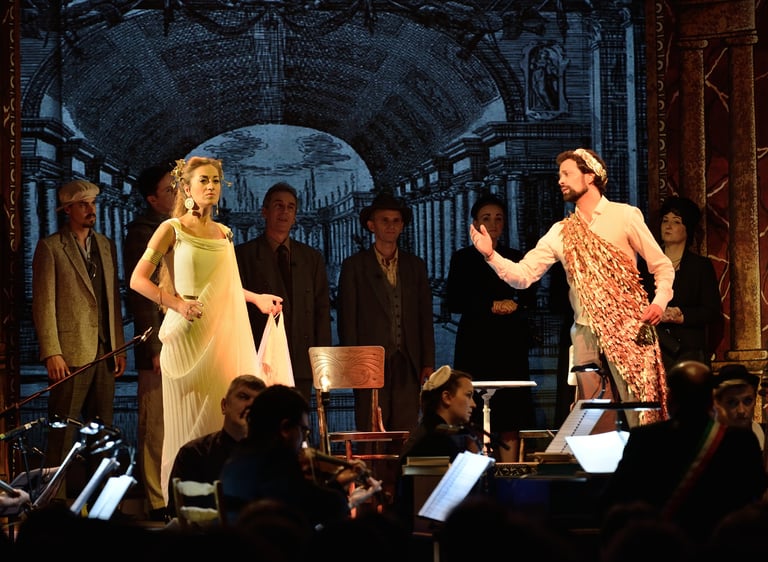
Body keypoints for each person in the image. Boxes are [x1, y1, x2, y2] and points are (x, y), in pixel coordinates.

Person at [470, 148, 675, 427]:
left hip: (630, 329)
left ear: (590, 175)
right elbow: (523, 276)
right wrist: (491, 255)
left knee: (642, 412)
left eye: (566, 174)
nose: (560, 180)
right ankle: (597, 469)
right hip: (584, 334)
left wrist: (659, 303)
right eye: (559, 175)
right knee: (593, 417)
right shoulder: (560, 232)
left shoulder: (625, 216)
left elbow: (661, 266)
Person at [129, 156, 283, 506]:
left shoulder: (224, 233)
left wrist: (256, 298)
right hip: (186, 336)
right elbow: (138, 280)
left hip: (223, 334)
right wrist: (176, 303)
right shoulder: (171, 229)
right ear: (186, 187)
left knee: (223, 417)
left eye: (215, 180)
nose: (211, 186)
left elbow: (228, 285)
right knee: (187, 428)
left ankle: (230, 502)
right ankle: (183, 508)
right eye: (203, 181)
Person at [599, 360, 767, 542]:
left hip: (665, 547)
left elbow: (614, 498)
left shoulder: (646, 439)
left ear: (670, 400)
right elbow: (754, 499)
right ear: (712, 402)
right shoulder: (741, 442)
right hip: (722, 547)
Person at [32, 179, 127, 499]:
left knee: (103, 435)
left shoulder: (105, 245)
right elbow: (43, 303)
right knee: (63, 433)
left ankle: (99, 508)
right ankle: (53, 507)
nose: (91, 210)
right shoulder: (51, 246)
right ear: (67, 210)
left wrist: (117, 346)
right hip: (70, 354)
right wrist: (52, 352)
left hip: (104, 352)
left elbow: (112, 298)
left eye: (93, 204)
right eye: (83, 204)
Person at [446, 192, 537, 462]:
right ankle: (477, 478)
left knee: (511, 413)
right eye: (486, 218)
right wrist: (490, 305)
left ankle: (509, 477)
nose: (494, 223)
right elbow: (455, 300)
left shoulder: (515, 256)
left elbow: (529, 294)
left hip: (509, 345)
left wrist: (515, 303)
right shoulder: (462, 259)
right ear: (475, 224)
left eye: (499, 218)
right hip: (475, 343)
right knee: (474, 414)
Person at [337, 191, 435, 435]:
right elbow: (347, 320)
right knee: (371, 431)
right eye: (384, 220)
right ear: (371, 225)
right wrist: (353, 363)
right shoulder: (354, 266)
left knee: (406, 431)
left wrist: (427, 361)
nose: (391, 226)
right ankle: (371, 474)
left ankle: (401, 474)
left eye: (396, 221)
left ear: (402, 226)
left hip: (408, 360)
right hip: (369, 363)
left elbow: (425, 317)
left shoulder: (415, 266)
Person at [219, 384, 382, 530]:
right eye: (303, 430)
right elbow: (313, 508)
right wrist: (348, 498)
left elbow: (303, 500)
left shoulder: (237, 457)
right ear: (285, 428)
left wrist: (339, 482)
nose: (303, 439)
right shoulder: (276, 463)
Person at [235, 181, 332, 402]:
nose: (284, 212)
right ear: (264, 212)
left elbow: (321, 310)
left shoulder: (311, 258)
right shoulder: (243, 255)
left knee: (298, 426)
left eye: (290, 207)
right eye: (278, 205)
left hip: (303, 361)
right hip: (261, 359)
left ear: (296, 215)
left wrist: (322, 360)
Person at [123, 162, 176, 521]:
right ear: (152, 199)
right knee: (155, 425)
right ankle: (156, 501)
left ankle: (175, 494)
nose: (178, 195)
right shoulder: (143, 232)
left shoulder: (179, 229)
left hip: (183, 339)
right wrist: (153, 346)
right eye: (170, 191)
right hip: (159, 342)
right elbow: (142, 298)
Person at [639, 195, 722, 373]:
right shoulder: (646, 266)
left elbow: (711, 310)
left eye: (676, 222)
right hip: (654, 350)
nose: (668, 226)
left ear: (688, 229)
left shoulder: (700, 266)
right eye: (665, 221)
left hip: (689, 352)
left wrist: (681, 315)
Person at [167, 374, 267, 515]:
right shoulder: (193, 454)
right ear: (224, 405)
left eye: (258, 402)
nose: (250, 404)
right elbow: (178, 513)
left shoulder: (272, 458)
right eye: (243, 397)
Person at [394, 366, 480, 530]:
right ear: (447, 397)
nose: (474, 404)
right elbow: (431, 500)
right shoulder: (432, 440)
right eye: (468, 396)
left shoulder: (439, 433)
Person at [712, 363, 764, 449]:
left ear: (755, 400)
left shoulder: (756, 430)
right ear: (718, 404)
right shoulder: (710, 441)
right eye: (732, 402)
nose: (741, 411)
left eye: (747, 401)